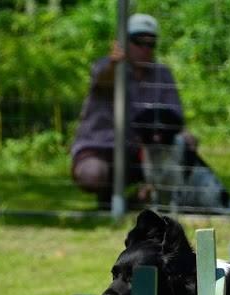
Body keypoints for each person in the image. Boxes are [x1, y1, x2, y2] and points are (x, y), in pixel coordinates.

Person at [69, 14, 193, 206]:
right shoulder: (106, 67)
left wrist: (185, 136)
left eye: (150, 44)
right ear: (124, 43)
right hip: (101, 147)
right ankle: (110, 196)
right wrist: (114, 64)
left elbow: (174, 117)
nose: (145, 49)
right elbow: (103, 80)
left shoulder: (162, 74)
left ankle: (153, 196)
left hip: (143, 150)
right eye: (138, 42)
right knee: (93, 174)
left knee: (185, 142)